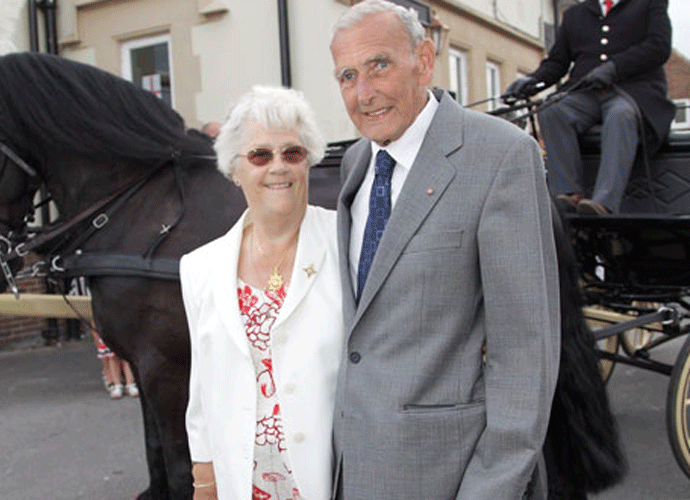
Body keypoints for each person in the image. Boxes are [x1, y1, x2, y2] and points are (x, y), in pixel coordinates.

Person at [329, 2, 560, 499]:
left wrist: (491, 489)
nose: (363, 93)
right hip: (355, 474)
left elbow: (524, 355)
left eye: (379, 65)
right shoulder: (355, 163)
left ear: (425, 60)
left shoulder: (501, 156)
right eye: (348, 75)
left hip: (450, 477)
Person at [180, 85, 341, 500]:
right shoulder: (199, 268)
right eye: (260, 155)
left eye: (292, 153)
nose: (278, 167)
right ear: (235, 170)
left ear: (309, 162)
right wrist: (204, 481)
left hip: (334, 478)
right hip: (243, 485)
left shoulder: (348, 245)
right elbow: (202, 389)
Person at [505, 0, 675, 215]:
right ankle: (568, 192)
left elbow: (658, 47)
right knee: (551, 110)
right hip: (586, 93)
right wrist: (531, 82)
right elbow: (558, 62)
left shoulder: (648, 4)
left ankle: (604, 202)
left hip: (632, 91)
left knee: (620, 115)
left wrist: (615, 67)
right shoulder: (575, 14)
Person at [88, 321, 138, 399]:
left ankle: (130, 384)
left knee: (126, 357)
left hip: (123, 323)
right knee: (112, 357)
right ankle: (117, 385)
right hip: (109, 325)